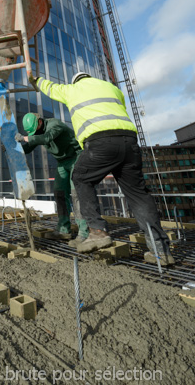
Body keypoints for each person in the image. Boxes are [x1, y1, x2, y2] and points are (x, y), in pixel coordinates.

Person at [30, 71, 174, 265]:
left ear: (76, 81)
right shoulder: (112, 88)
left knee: (81, 177)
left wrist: (35, 80)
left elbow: (50, 88)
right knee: (139, 195)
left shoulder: (72, 90)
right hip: (129, 141)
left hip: (100, 142)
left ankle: (97, 231)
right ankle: (160, 251)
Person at [17, 113, 88, 246]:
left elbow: (46, 138)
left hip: (76, 158)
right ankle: (63, 229)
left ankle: (84, 232)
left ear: (39, 122)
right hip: (62, 162)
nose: (35, 133)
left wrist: (26, 138)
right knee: (59, 194)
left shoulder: (54, 124)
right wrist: (14, 149)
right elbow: (30, 146)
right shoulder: (38, 131)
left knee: (77, 195)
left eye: (35, 130)